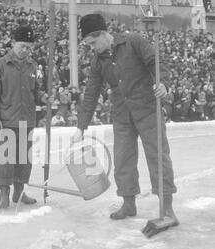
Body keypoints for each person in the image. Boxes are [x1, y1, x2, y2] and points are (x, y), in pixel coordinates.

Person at [72, 14, 178, 221]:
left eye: (93, 43)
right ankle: (129, 204)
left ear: (103, 34)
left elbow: (156, 61)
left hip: (148, 109)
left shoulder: (134, 41)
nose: (93, 48)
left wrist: (162, 82)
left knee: (158, 157)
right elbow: (92, 93)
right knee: (123, 160)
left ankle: (167, 208)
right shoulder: (98, 61)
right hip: (122, 115)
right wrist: (80, 127)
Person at [0, 25, 39, 210]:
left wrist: (46, 97)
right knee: (5, 159)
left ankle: (19, 192)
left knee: (24, 159)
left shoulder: (34, 66)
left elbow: (36, 92)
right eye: (23, 46)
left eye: (29, 47)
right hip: (6, 121)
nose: (26, 50)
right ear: (14, 43)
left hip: (27, 120)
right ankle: (4, 193)